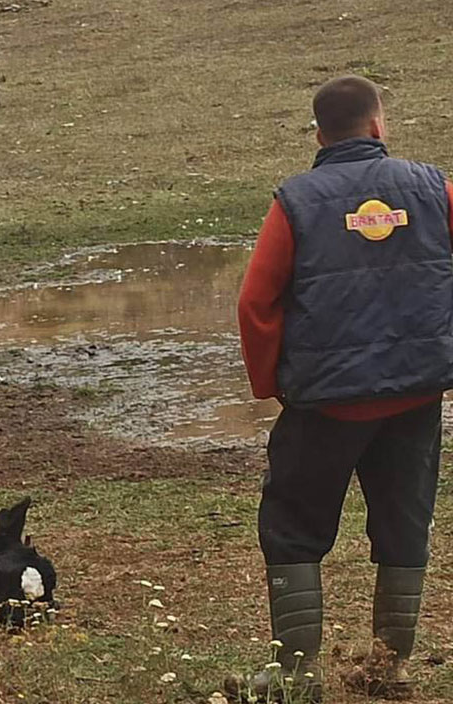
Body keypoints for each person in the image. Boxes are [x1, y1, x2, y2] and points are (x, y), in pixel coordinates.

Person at [234, 75, 453, 701]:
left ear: (319, 134)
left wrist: (273, 382)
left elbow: (256, 301)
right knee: (405, 523)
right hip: (416, 398)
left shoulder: (298, 201)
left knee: (294, 525)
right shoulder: (435, 189)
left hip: (325, 404)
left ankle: (297, 676)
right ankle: (388, 670)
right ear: (378, 125)